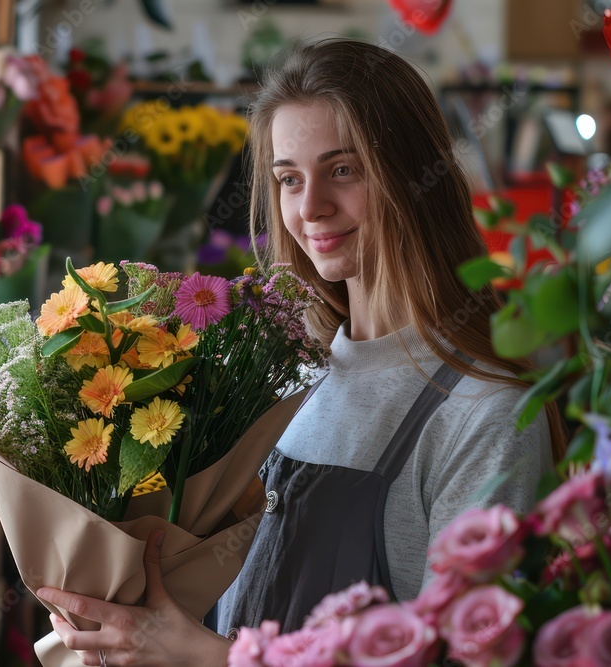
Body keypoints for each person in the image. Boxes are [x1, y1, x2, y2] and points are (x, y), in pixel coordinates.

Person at [36, 37, 566, 666]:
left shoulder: (484, 413)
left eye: (343, 170)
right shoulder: (276, 382)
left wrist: (201, 655)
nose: (309, 207)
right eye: (289, 179)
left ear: (414, 177)